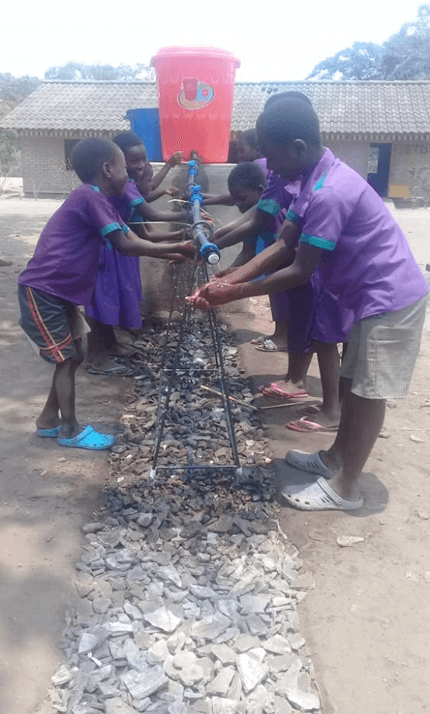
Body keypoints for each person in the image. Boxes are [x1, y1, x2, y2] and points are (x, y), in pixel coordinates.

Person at [187, 98, 428, 511]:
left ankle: (346, 489)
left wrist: (234, 293)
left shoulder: (331, 192)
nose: (269, 165)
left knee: (368, 392)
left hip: (389, 297)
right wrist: (227, 276)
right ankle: (335, 458)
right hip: (364, 297)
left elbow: (299, 269)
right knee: (352, 382)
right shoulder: (310, 180)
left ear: (297, 147)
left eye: (271, 155)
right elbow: (282, 243)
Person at [18, 138, 194, 450]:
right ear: (107, 169)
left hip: (61, 293)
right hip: (43, 290)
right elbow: (126, 246)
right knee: (65, 358)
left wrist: (177, 244)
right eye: (124, 168)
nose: (130, 175)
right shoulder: (89, 197)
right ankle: (69, 429)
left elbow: (130, 235)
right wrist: (175, 248)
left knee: (74, 356)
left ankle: (48, 419)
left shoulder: (100, 200)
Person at [113, 131, 182, 203]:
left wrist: (169, 164)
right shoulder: (126, 186)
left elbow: (149, 186)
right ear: (119, 161)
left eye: (144, 159)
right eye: (134, 161)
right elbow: (150, 210)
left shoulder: (135, 174)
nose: (141, 165)